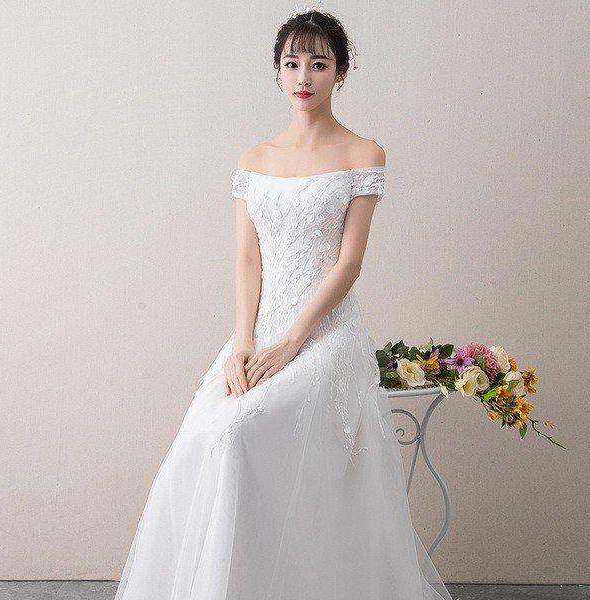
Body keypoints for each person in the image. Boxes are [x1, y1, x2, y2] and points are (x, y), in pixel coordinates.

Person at [114, 8, 454, 600]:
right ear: (276, 71)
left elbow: (348, 263)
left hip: (323, 336)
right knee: (205, 440)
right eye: (292, 63)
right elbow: (247, 260)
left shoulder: (363, 154)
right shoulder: (255, 160)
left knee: (241, 434)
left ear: (340, 72)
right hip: (259, 334)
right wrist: (243, 344)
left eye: (318, 64)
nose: (303, 76)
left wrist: (293, 342)